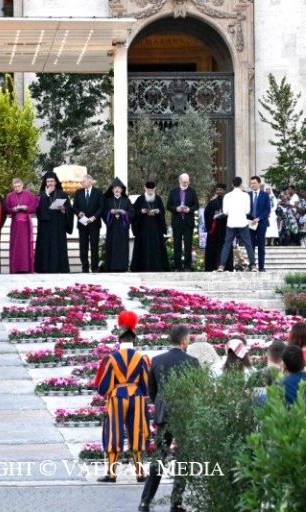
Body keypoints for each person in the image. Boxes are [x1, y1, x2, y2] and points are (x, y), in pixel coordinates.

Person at [139, 325, 200, 512]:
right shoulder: (192, 362)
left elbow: (152, 389)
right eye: (188, 339)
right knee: (183, 459)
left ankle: (145, 501)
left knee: (159, 457)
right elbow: (197, 389)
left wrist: (160, 406)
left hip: (163, 414)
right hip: (184, 414)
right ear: (184, 341)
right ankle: (176, 502)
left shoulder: (157, 360)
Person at [95, 311, 150, 483]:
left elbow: (104, 387)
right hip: (137, 396)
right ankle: (140, 473)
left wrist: (113, 391)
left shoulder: (111, 358)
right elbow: (147, 384)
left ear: (119, 339)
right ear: (134, 339)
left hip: (118, 396)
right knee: (138, 432)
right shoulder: (143, 358)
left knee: (114, 432)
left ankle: (112, 474)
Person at [34, 171, 73, 273]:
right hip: (46, 226)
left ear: (56, 182)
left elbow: (69, 210)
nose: (50, 183)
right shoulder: (41, 194)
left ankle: (60, 268)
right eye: (48, 181)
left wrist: (64, 210)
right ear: (45, 183)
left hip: (58, 225)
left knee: (58, 246)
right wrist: (46, 194)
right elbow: (38, 209)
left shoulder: (63, 194)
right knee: (45, 247)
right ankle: (44, 268)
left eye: (52, 181)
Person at [216, 177, 256, 272]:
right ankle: (253, 265)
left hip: (231, 223)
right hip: (242, 222)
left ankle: (221, 265)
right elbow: (247, 211)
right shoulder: (246, 195)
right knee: (248, 244)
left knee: (227, 244)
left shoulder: (227, 196)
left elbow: (225, 211)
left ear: (232, 184)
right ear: (241, 184)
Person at [131, 181, 169, 272]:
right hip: (143, 230)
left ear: (155, 189)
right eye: (148, 189)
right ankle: (142, 268)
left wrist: (157, 211)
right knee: (143, 249)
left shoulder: (158, 199)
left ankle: (157, 267)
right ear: (145, 188)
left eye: (152, 189)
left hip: (156, 230)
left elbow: (163, 212)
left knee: (156, 249)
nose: (150, 191)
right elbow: (133, 212)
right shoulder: (140, 199)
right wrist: (141, 211)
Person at [4, 178, 38, 273]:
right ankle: (16, 268)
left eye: (18, 186)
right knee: (15, 246)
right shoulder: (10, 196)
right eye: (15, 187)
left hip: (26, 225)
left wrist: (26, 207)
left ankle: (26, 267)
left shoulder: (29, 194)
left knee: (25, 246)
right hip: (15, 224)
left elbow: (35, 206)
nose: (17, 188)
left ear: (22, 185)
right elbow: (6, 208)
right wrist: (13, 209)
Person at [166, 173, 199, 271]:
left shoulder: (192, 191)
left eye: (187, 181)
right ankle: (177, 267)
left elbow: (196, 205)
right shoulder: (173, 192)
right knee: (177, 245)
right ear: (179, 181)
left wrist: (189, 209)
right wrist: (176, 209)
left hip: (188, 222)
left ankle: (187, 266)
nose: (185, 183)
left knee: (188, 245)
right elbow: (168, 206)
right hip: (177, 222)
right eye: (184, 182)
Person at [72, 174, 104, 273]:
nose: (81, 183)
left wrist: (93, 217)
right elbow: (74, 207)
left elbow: (101, 207)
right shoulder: (78, 192)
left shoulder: (98, 192)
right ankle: (84, 267)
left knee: (94, 246)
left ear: (90, 181)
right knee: (83, 246)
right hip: (82, 223)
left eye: (83, 181)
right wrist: (79, 213)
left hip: (94, 223)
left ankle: (94, 267)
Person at [102, 177, 133, 272]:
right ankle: (111, 267)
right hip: (112, 228)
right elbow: (103, 213)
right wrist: (109, 212)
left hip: (122, 229)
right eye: (115, 188)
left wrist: (125, 213)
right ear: (112, 190)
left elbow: (132, 213)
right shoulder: (108, 201)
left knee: (122, 247)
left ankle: (123, 266)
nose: (117, 189)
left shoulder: (126, 201)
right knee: (112, 246)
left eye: (119, 188)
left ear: (122, 189)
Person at [203, 184, 233, 271]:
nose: (219, 191)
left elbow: (232, 213)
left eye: (221, 190)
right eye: (217, 190)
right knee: (213, 248)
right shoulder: (211, 202)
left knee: (225, 247)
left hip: (225, 229)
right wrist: (214, 215)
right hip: (214, 230)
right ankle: (212, 266)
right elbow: (207, 214)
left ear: (224, 191)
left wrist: (225, 215)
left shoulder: (228, 202)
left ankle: (226, 266)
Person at [248, 176, 271, 271]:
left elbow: (267, 209)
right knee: (251, 245)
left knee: (261, 245)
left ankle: (261, 267)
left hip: (261, 223)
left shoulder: (265, 195)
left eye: (254, 183)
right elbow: (245, 209)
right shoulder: (247, 195)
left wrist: (259, 218)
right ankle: (252, 266)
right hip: (250, 223)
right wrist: (251, 218)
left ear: (259, 183)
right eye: (251, 183)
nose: (252, 185)